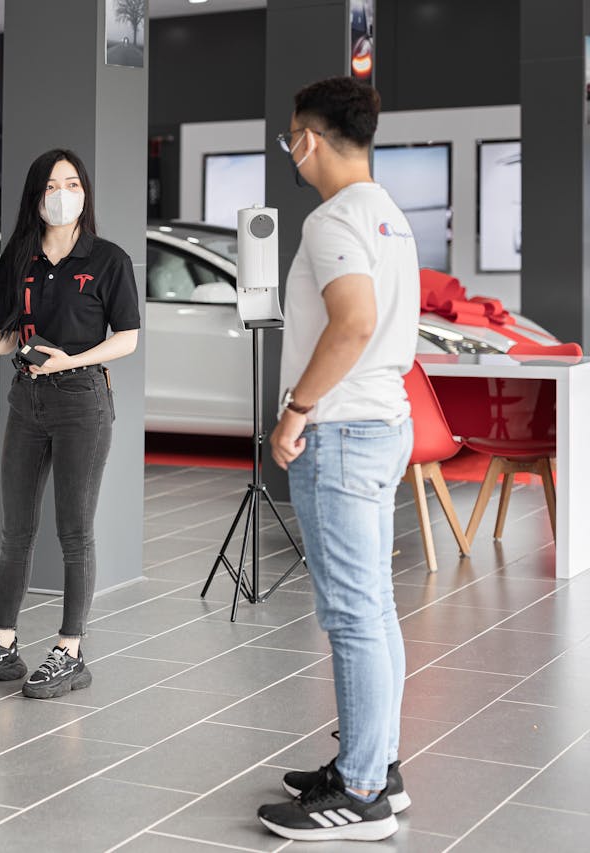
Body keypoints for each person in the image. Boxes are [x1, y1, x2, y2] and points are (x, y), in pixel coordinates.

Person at [256, 77, 419, 842]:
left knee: (352, 614)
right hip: (384, 424)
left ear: (308, 139)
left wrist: (295, 412)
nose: (291, 148)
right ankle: (377, 763)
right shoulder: (389, 215)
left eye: (292, 135)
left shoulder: (332, 219)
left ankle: (359, 795)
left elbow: (352, 324)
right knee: (374, 605)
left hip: (344, 431)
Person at [0, 149, 140, 699]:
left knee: (74, 531)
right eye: (53, 185)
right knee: (15, 530)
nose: (63, 194)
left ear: (84, 194)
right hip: (26, 401)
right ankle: (2, 644)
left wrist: (69, 361)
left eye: (73, 183)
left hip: (82, 401)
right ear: (35, 196)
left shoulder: (108, 260)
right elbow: (9, 335)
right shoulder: (19, 259)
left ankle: (70, 650)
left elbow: (127, 338)